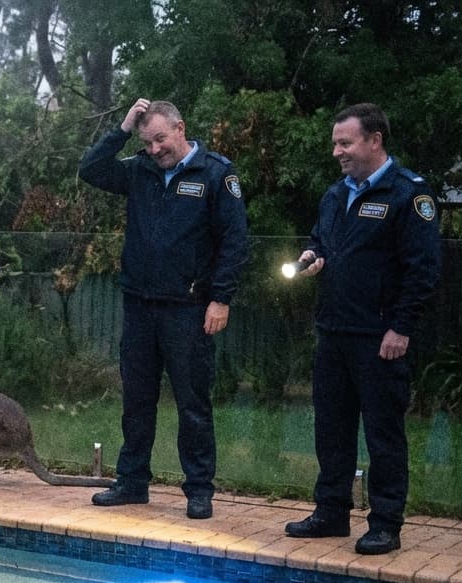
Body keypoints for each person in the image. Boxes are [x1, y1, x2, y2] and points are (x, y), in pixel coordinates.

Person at [78, 98, 250, 520]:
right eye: (146, 140)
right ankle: (132, 482)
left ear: (180, 128)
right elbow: (91, 169)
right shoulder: (140, 171)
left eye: (160, 139)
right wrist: (121, 129)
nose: (155, 149)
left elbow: (234, 241)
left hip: (189, 311)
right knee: (137, 401)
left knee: (193, 404)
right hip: (140, 307)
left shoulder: (215, 174)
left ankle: (199, 489)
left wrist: (221, 298)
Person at [283, 103, 441, 555]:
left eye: (345, 142)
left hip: (380, 338)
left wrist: (401, 328)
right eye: (336, 143)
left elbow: (423, 270)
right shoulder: (337, 195)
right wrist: (312, 258)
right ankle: (331, 512)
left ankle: (386, 522)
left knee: (383, 433)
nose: (337, 151)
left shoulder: (408, 195)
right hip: (333, 331)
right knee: (331, 429)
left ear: (375, 140)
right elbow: (321, 241)